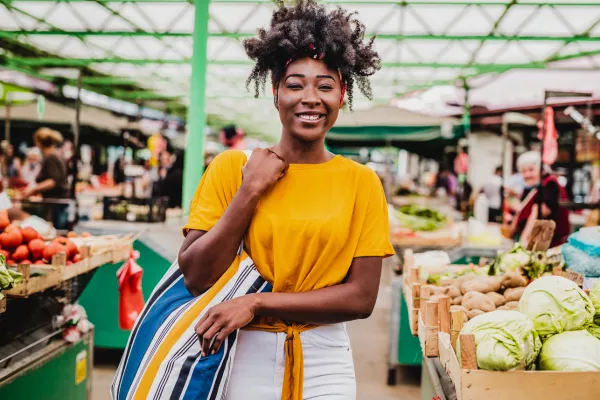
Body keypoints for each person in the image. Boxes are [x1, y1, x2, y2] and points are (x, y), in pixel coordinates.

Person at [111, 2, 392, 399]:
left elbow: (362, 298)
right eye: (295, 84)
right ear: (275, 92)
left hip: (325, 358)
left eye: (325, 86)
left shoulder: (362, 182)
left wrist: (256, 302)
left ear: (342, 95)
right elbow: (196, 273)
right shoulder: (232, 169)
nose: (310, 98)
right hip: (240, 354)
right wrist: (250, 191)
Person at [503, 151, 570, 247]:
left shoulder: (549, 184)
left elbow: (538, 213)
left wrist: (524, 243)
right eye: (523, 171)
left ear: (541, 168)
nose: (527, 175)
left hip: (549, 246)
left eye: (531, 170)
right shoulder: (538, 187)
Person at [21, 128, 70, 230]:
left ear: (39, 142)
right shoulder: (55, 155)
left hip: (56, 203)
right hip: (58, 202)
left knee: (56, 232)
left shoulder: (51, 157)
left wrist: (33, 190)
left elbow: (52, 182)